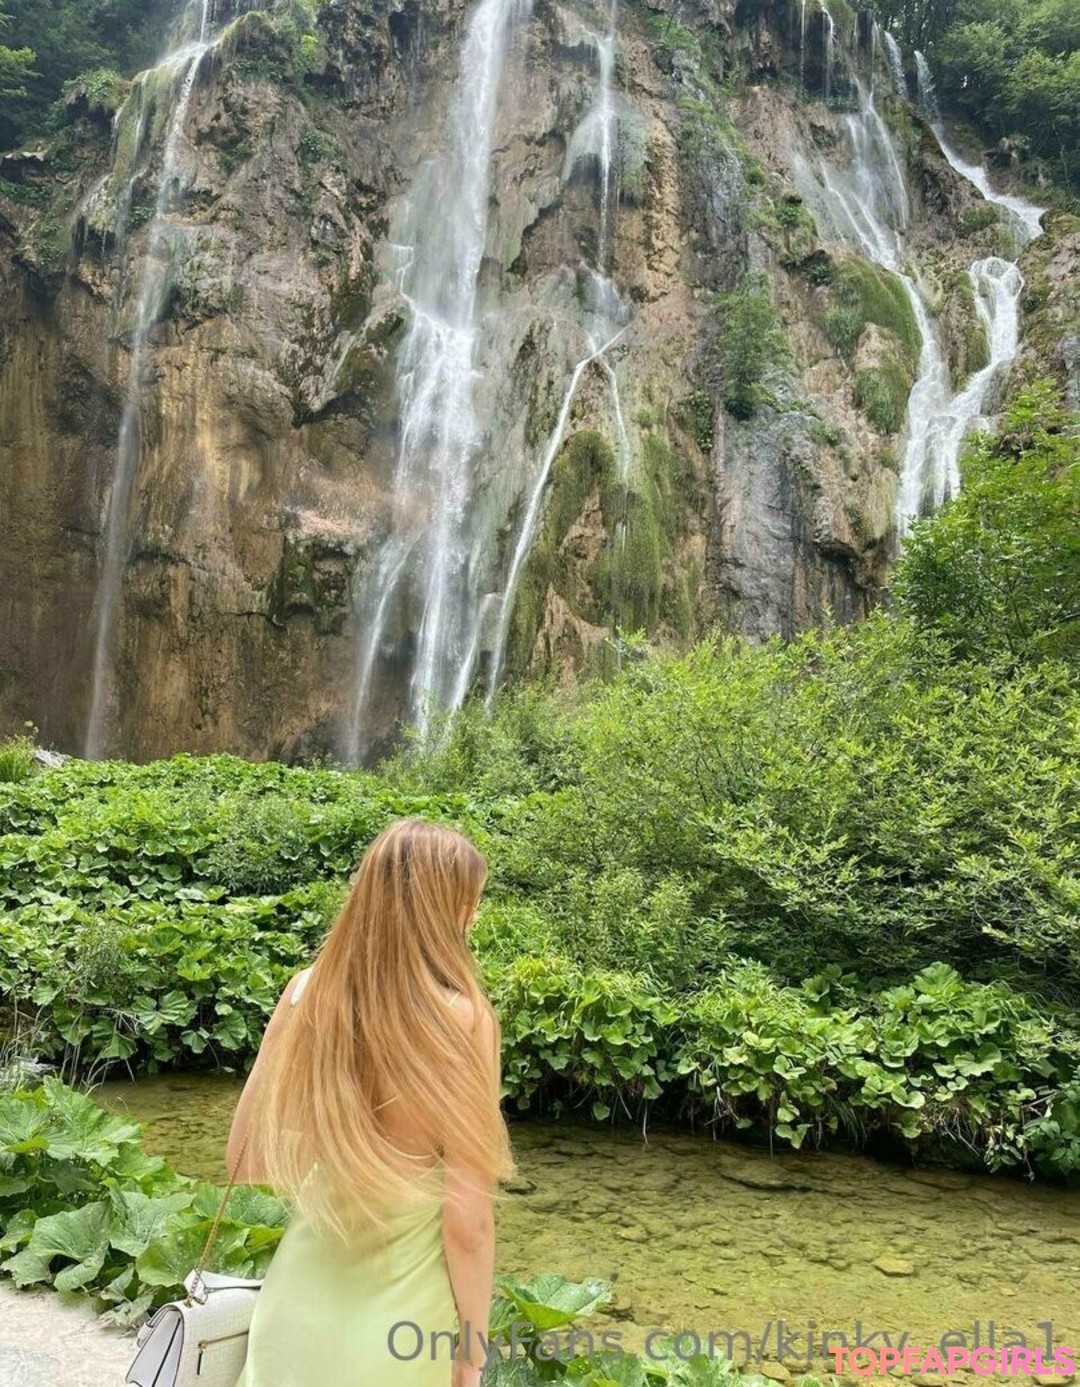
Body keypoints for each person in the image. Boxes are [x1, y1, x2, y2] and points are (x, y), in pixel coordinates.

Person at [224, 819, 515, 1387]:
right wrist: (471, 1353)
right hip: (401, 1329)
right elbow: (468, 1225)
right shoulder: (464, 1020)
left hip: (292, 1315)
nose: (474, 918)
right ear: (440, 910)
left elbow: (245, 1158)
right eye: (469, 903)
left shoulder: (304, 992)